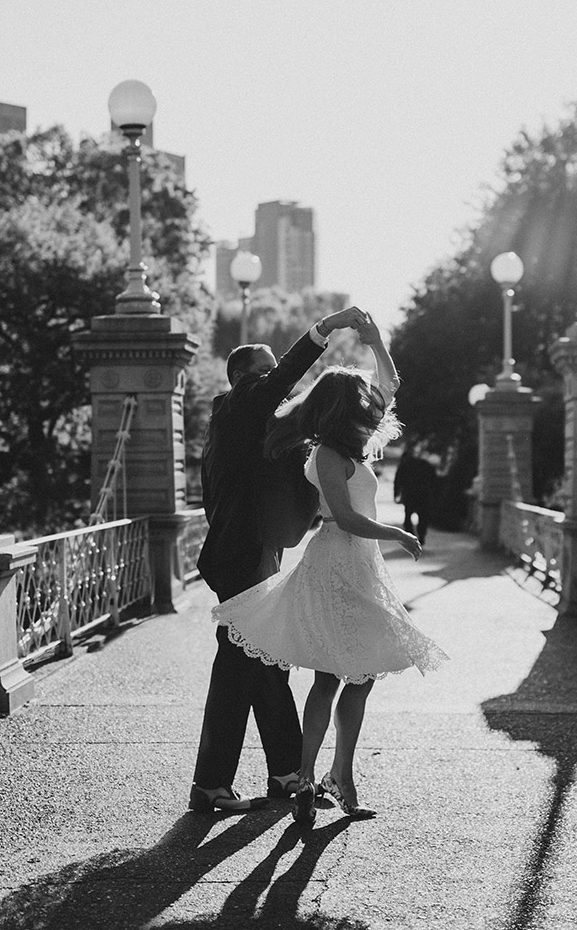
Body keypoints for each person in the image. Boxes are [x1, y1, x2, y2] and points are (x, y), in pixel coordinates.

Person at [212, 314, 449, 826]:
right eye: (360, 399)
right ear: (345, 407)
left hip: (357, 566)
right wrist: (399, 534)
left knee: (348, 676)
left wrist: (379, 342)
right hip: (340, 563)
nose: (370, 403)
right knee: (340, 676)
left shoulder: (351, 444)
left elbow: (388, 387)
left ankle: (326, 774)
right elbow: (344, 518)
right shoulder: (324, 454)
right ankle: (310, 775)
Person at [189, 305, 369, 814]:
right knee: (240, 663)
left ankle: (287, 773)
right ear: (245, 379)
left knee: (267, 665)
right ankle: (211, 784)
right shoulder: (240, 405)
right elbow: (285, 375)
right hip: (242, 556)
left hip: (249, 554)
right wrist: (327, 329)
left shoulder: (246, 425)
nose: (278, 381)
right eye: (267, 373)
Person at [393, 446, 437, 545]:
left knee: (408, 516)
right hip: (424, 495)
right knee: (423, 517)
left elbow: (397, 481)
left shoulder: (404, 465)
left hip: (409, 495)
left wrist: (396, 495)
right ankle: (421, 536)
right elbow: (434, 480)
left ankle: (411, 537)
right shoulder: (425, 464)